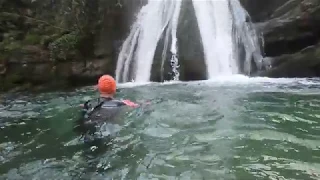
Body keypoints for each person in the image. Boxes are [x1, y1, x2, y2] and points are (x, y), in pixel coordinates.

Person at [74, 74, 140, 142]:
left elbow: (82, 106)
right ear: (114, 89)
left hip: (87, 128)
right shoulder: (121, 104)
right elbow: (136, 106)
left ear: (99, 89)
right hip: (105, 131)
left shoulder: (89, 103)